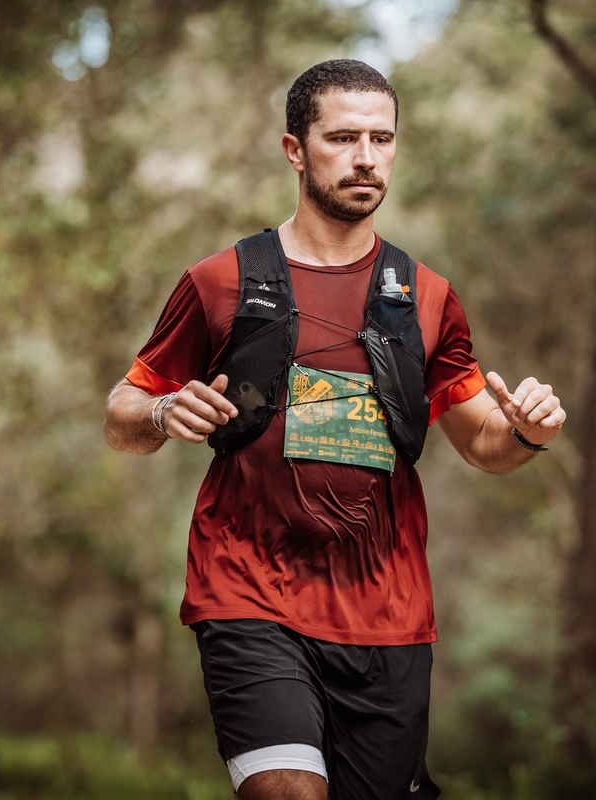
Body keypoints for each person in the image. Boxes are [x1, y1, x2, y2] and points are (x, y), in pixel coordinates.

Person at [104, 59, 565, 800]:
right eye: (343, 138)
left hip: (388, 616)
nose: (366, 158)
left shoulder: (427, 298)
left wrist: (526, 432)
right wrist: (161, 413)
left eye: (382, 139)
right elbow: (122, 412)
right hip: (249, 592)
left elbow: (485, 442)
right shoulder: (220, 282)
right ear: (295, 150)